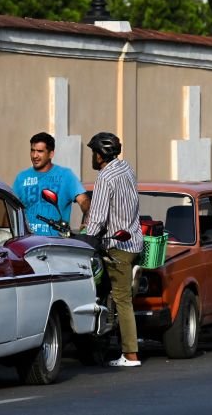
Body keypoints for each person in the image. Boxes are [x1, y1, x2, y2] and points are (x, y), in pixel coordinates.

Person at [84, 132, 144, 368]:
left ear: (101, 155)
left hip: (116, 245)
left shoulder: (105, 177)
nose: (92, 156)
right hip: (134, 242)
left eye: (93, 152)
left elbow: (97, 217)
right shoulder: (126, 168)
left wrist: (86, 239)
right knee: (118, 297)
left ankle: (130, 354)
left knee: (122, 300)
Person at [13, 132, 90, 236]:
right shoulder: (21, 178)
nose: (35, 155)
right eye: (32, 150)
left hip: (56, 245)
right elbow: (10, 209)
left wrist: (86, 223)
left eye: (40, 151)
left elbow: (84, 201)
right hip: (28, 244)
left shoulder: (66, 175)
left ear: (51, 154)